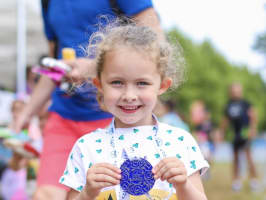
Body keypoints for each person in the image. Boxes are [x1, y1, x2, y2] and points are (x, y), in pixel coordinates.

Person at [14, 1, 164, 199]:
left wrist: (96, 67)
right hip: (63, 115)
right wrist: (26, 112)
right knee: (46, 194)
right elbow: (55, 66)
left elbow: (156, 46)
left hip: (115, 117)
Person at [59, 23, 209, 200]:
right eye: (117, 82)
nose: (129, 95)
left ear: (162, 86)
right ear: (99, 85)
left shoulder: (180, 142)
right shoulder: (86, 147)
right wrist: (88, 192)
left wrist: (183, 185)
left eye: (142, 83)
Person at [220, 82, 259, 191]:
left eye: (237, 90)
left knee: (249, 158)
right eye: (233, 90)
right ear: (230, 91)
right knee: (236, 158)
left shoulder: (246, 103)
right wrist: (222, 132)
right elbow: (225, 121)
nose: (235, 92)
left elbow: (253, 116)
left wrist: (253, 129)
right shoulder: (229, 105)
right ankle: (236, 182)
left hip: (245, 133)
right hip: (235, 135)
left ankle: (254, 181)